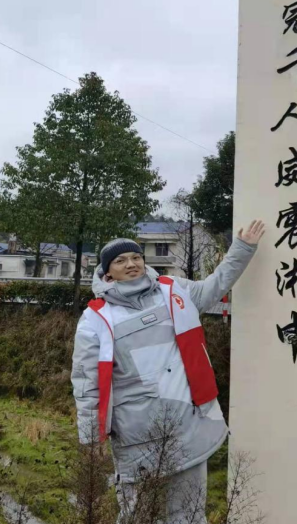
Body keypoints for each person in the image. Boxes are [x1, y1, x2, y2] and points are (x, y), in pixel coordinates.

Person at [71, 220, 266, 522]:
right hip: (135, 431)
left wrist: (242, 248)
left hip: (186, 423)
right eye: (120, 260)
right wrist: (91, 437)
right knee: (137, 514)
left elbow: (216, 284)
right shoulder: (96, 318)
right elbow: (87, 383)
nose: (131, 264)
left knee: (189, 513)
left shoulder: (174, 291)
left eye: (136, 257)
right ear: (107, 272)